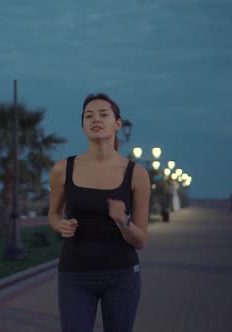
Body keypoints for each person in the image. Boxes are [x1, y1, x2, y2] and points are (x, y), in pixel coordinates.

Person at [48, 93, 150, 332]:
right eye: (89, 115)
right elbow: (52, 214)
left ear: (117, 124)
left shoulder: (136, 174)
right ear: (82, 126)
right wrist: (60, 225)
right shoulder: (63, 169)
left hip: (122, 274)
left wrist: (122, 220)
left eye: (104, 114)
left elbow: (141, 240)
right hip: (75, 274)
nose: (96, 119)